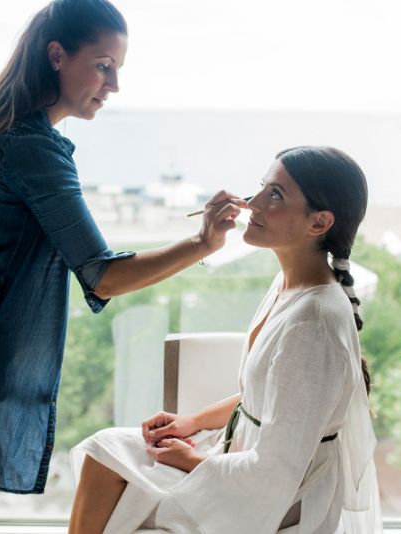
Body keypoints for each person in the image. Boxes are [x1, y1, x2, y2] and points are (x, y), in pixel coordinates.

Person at [0, 1, 247, 532]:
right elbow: (102, 274)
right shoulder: (31, 147)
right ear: (56, 55)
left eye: (118, 69)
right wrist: (203, 242)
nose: (113, 85)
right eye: (102, 65)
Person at [69, 146, 383, 534]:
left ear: (319, 223)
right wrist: (192, 422)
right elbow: (270, 398)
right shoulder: (288, 286)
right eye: (260, 188)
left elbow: (275, 474)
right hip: (242, 459)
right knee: (103, 451)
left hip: (276, 498)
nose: (252, 204)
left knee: (112, 474)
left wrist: (188, 460)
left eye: (276, 195)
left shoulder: (314, 322)